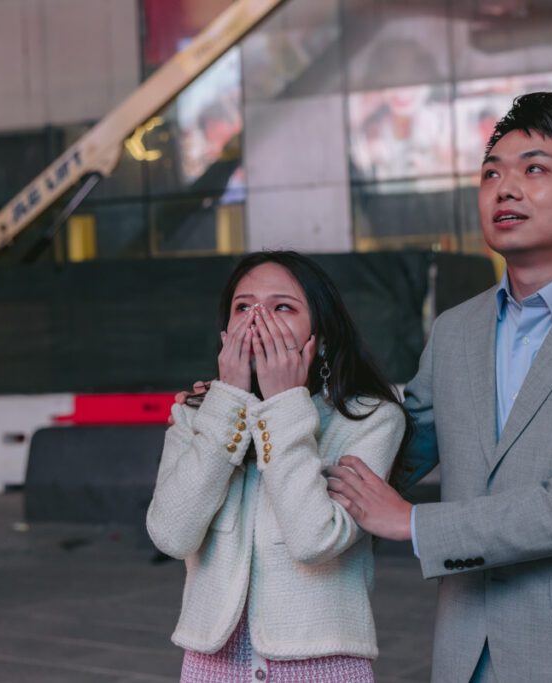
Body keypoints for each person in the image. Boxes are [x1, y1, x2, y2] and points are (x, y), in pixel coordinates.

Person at [325, 92, 552, 682]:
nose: (505, 189)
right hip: (469, 651)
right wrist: (257, 407)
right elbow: (394, 446)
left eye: (534, 169)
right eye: (491, 173)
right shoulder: (455, 330)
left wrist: (413, 524)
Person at [148, 251, 410, 682]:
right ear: (226, 332)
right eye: (243, 307)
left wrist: (283, 404)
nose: (258, 321)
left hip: (322, 666)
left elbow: (314, 539)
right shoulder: (197, 414)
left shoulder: (370, 420)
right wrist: (227, 403)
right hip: (211, 665)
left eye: (282, 307)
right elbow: (171, 535)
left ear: (320, 337)